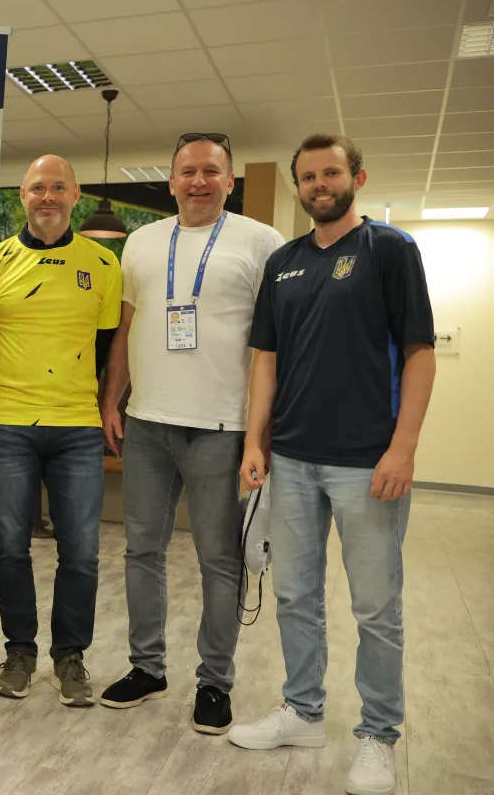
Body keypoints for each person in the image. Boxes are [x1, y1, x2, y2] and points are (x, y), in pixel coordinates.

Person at [231, 134, 435, 795]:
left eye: (331, 173)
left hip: (367, 463)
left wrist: (403, 447)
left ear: (357, 178)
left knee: (376, 606)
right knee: (296, 594)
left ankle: (379, 735)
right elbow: (266, 360)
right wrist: (255, 442)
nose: (320, 184)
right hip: (292, 458)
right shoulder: (284, 263)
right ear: (298, 187)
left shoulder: (389, 250)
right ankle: (303, 711)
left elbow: (419, 352)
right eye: (308, 177)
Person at [99, 132, 284, 735]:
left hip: (223, 428)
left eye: (210, 171)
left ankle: (214, 682)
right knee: (141, 552)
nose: (198, 181)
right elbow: (126, 328)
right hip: (148, 422)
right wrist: (112, 400)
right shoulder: (141, 241)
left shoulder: (262, 242)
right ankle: (147, 668)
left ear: (229, 181)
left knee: (219, 559)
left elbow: (273, 346)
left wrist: (260, 433)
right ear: (171, 181)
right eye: (188, 171)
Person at [0, 155, 121, 707]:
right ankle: (19, 653)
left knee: (80, 551)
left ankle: (69, 657)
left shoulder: (103, 263)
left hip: (76, 426)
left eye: (59, 187)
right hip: (7, 423)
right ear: (23, 195)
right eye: (38, 187)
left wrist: (103, 402)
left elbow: (105, 347)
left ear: (75, 195)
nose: (48, 197)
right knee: (11, 546)